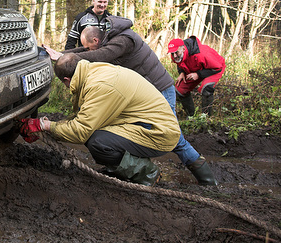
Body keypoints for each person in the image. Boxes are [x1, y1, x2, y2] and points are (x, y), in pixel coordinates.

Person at [44, 15, 217, 186]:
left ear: (96, 40)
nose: (87, 51)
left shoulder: (123, 40)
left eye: (89, 48)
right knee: (129, 131)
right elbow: (84, 53)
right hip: (137, 92)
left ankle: (206, 180)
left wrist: (66, 59)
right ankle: (134, 167)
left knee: (174, 138)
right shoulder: (108, 39)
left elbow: (99, 55)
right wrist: (63, 55)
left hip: (159, 88)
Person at [20, 54, 181, 186]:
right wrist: (46, 128)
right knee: (95, 133)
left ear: (67, 80)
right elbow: (82, 117)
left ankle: (147, 172)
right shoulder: (93, 71)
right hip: (146, 123)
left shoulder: (100, 86)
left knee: (97, 141)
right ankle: (125, 166)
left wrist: (45, 125)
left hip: (159, 132)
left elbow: (80, 131)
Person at [168, 36, 226, 116]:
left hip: (214, 68)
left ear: (183, 49)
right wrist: (181, 72)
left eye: (176, 52)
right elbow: (180, 62)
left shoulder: (202, 54)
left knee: (206, 89)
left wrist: (198, 74)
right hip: (196, 68)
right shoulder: (177, 54)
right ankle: (191, 115)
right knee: (179, 90)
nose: (174, 56)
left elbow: (218, 67)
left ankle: (205, 118)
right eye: (172, 53)